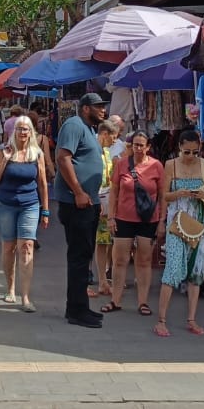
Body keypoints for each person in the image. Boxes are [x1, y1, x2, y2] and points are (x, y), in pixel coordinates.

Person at [55, 92, 108, 328]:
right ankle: (76, 311)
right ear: (85, 108)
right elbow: (63, 158)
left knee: (84, 256)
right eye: (98, 106)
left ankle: (80, 306)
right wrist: (78, 191)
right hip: (76, 203)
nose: (103, 110)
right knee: (79, 257)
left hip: (88, 202)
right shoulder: (74, 125)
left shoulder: (89, 129)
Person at [155, 126, 204, 338]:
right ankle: (161, 320)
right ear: (179, 148)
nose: (190, 156)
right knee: (172, 269)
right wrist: (177, 194)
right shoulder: (170, 165)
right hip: (176, 223)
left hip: (198, 224)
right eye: (186, 152)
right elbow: (164, 195)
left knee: (196, 273)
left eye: (195, 152)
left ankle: (191, 319)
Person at [0, 114, 48, 310]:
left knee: (27, 247)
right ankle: (10, 288)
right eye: (19, 128)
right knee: (9, 247)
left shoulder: (37, 154)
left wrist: (46, 210)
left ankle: (26, 297)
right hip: (6, 205)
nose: (22, 132)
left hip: (30, 205)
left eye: (26, 129)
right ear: (14, 131)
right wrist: (5, 160)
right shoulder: (3, 151)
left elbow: (42, 183)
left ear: (31, 132)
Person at [104, 130, 164, 317]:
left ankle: (143, 302)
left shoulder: (156, 166)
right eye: (134, 145)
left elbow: (163, 196)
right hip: (124, 217)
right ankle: (115, 300)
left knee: (144, 261)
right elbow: (114, 192)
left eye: (141, 145)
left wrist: (162, 221)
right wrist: (111, 217)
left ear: (148, 147)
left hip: (148, 219)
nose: (137, 148)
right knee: (119, 260)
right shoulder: (122, 164)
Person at [92, 116, 123, 298]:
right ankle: (97, 279)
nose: (115, 141)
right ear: (105, 134)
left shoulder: (106, 152)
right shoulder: (93, 152)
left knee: (104, 242)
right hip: (97, 202)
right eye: (113, 137)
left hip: (107, 202)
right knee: (96, 242)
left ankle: (103, 280)